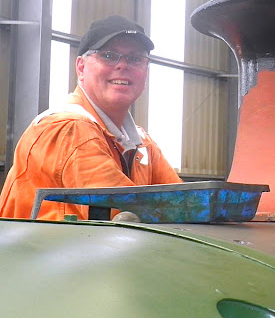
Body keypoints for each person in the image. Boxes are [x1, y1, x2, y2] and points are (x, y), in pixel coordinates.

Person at [0, 15, 182, 220]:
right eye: (108, 55)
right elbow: (124, 213)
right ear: (81, 67)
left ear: (145, 72)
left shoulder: (142, 143)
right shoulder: (67, 128)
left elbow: (188, 203)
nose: (123, 65)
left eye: (135, 58)